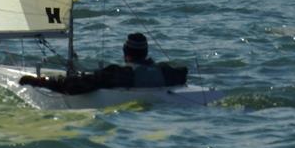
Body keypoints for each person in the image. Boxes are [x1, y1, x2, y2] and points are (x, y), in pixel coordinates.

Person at [19, 32, 187, 94]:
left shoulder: (118, 75)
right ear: (146, 52)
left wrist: (39, 81)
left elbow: (73, 85)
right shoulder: (168, 72)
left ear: (125, 52)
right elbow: (183, 72)